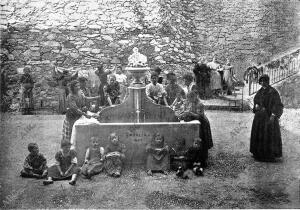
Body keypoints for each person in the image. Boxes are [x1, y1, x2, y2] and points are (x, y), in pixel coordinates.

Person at [250, 74, 284, 162]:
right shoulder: (260, 91)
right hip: (259, 117)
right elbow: (256, 100)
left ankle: (268, 155)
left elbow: (277, 104)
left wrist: (273, 115)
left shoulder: (273, 92)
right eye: (261, 81)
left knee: (268, 135)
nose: (262, 83)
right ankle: (258, 153)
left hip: (269, 116)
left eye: (264, 81)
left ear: (267, 82)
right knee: (259, 134)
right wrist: (256, 105)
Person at [177, 91, 213, 167]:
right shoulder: (192, 102)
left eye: (189, 98)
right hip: (197, 122)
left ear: (194, 97)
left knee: (202, 140)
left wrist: (189, 113)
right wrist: (182, 114)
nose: (188, 100)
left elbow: (200, 116)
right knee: (197, 140)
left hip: (203, 123)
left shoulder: (200, 104)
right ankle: (198, 158)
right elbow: (188, 111)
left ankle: (203, 160)